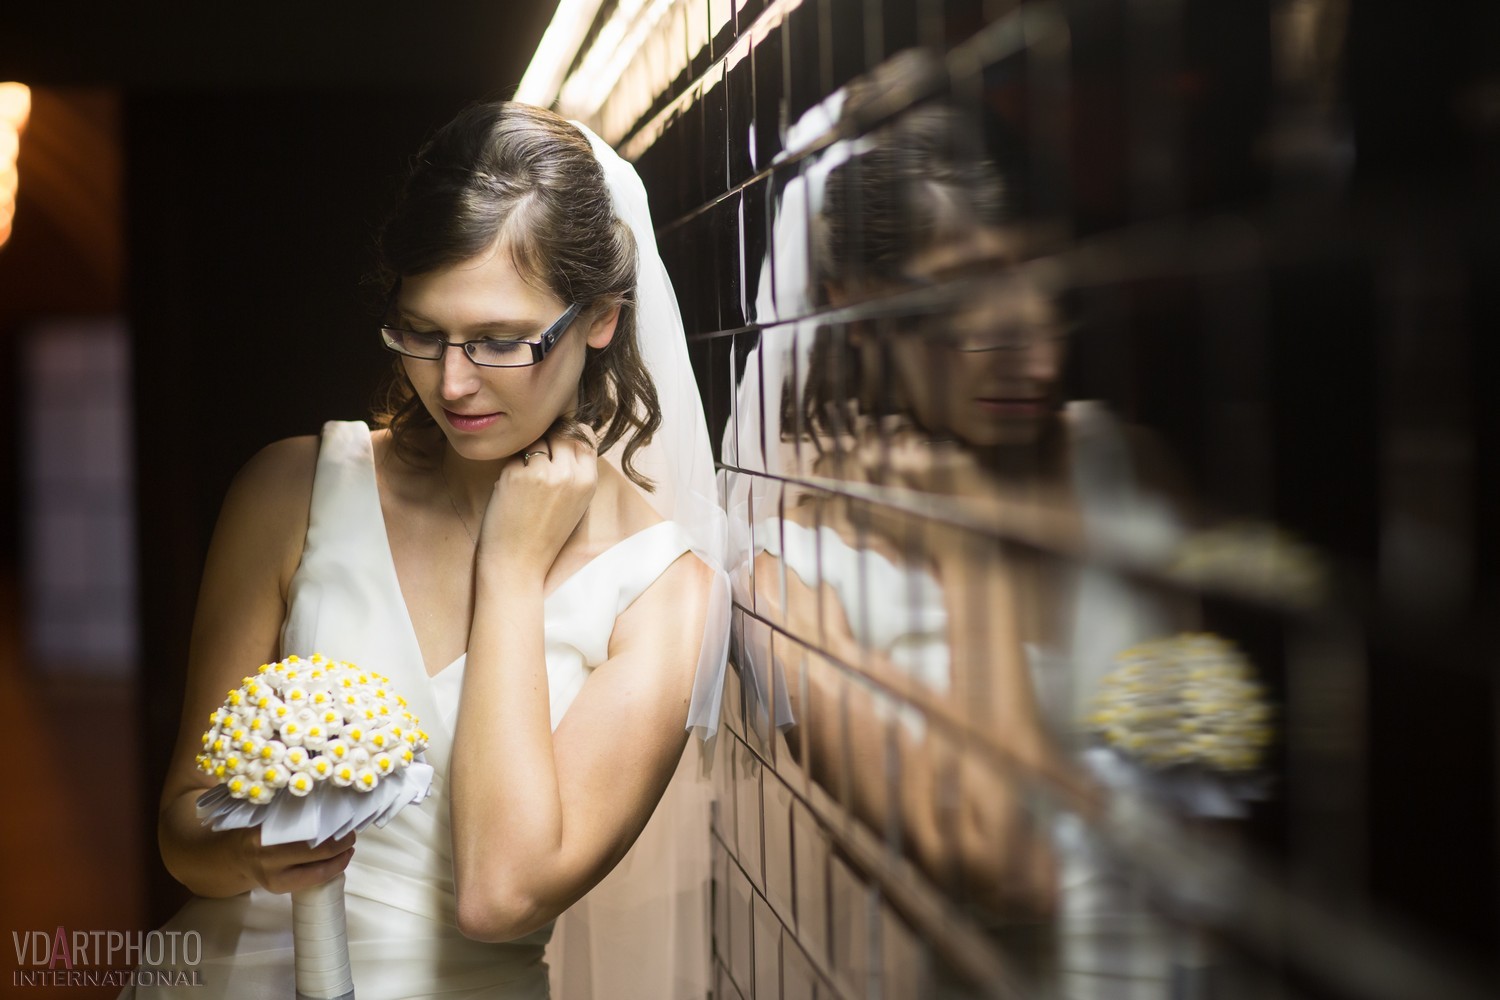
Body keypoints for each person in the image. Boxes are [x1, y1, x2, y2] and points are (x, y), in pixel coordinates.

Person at [134, 101, 729, 999]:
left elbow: (501, 895)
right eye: (421, 332)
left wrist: (511, 569)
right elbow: (182, 834)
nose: (452, 384)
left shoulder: (664, 593)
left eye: (499, 341)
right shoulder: (290, 490)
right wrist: (255, 854)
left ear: (601, 318)